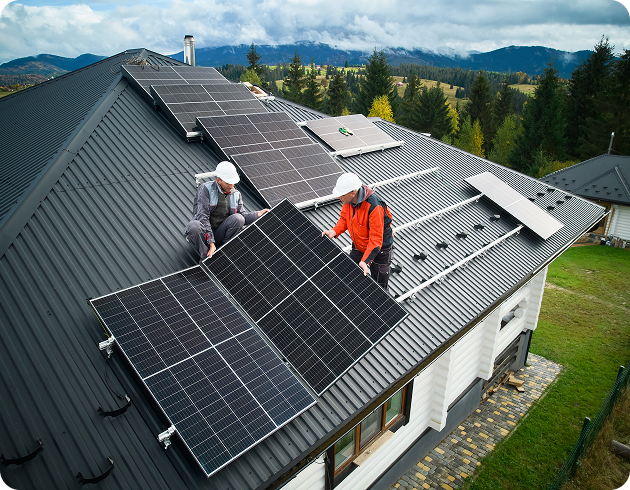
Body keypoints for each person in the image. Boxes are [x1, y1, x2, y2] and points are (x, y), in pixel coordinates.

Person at [322, 173, 394, 290]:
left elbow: (376, 240)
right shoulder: (348, 201)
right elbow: (345, 219)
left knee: (379, 288)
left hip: (380, 251)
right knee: (350, 273)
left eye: (341, 195)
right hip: (360, 246)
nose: (338, 197)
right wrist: (334, 231)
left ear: (353, 193)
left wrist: (365, 261)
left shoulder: (374, 206)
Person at [184, 161, 269, 259]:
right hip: (203, 234)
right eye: (228, 183)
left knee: (238, 218)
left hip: (219, 233)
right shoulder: (205, 189)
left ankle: (225, 251)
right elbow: (202, 217)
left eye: (233, 182)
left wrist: (257, 214)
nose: (231, 186)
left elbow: (242, 216)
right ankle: (206, 257)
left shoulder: (236, 194)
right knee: (193, 226)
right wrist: (211, 243)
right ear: (218, 180)